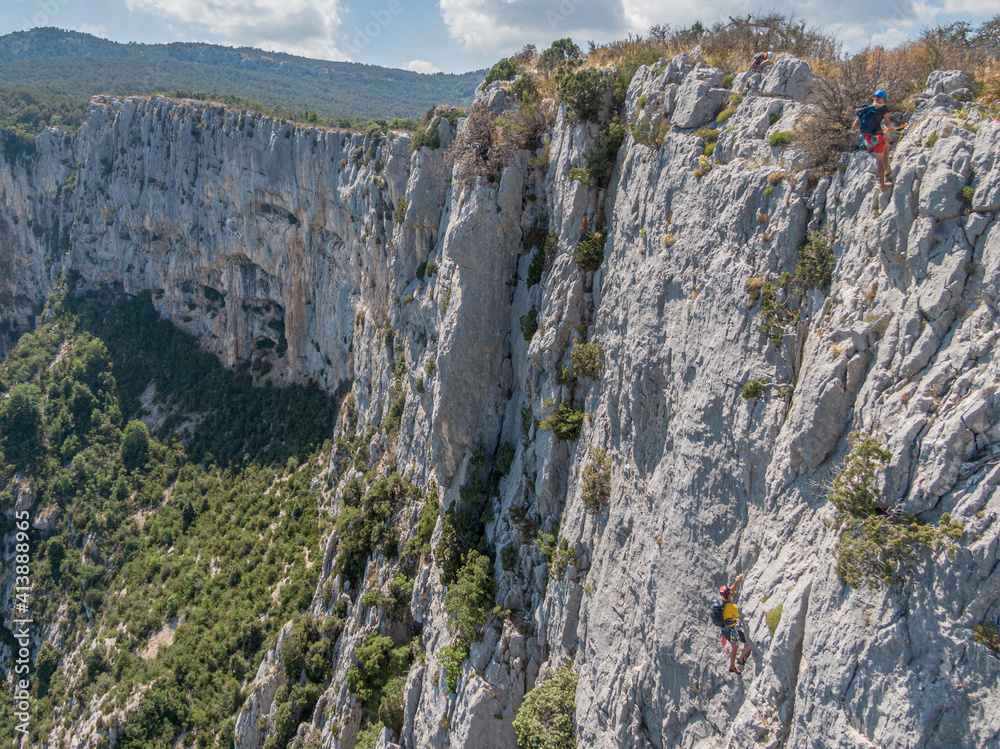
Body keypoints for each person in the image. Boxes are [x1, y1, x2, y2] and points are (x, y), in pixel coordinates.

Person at [853, 89, 898, 191]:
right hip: (877, 138)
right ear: (883, 99)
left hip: (868, 138)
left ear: (874, 97)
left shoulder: (865, 109)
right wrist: (891, 129)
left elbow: (854, 126)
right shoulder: (882, 107)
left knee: (886, 146)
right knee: (879, 161)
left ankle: (887, 170)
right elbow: (888, 123)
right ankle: (883, 185)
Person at [720, 574, 751, 674]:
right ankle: (739, 660)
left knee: (735, 645)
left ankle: (733, 665)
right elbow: (740, 618)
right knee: (749, 643)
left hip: (725, 629)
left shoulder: (722, 601)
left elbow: (732, 590)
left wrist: (737, 580)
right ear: (728, 594)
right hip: (731, 630)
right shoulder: (732, 607)